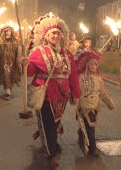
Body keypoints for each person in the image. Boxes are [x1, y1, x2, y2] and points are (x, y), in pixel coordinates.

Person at [23, 14, 80, 164]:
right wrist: (24, 65)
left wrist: (76, 93)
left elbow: (73, 75)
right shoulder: (37, 52)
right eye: (52, 33)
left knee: (55, 123)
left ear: (62, 35)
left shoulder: (67, 53)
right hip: (45, 95)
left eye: (58, 33)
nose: (55, 35)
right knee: (48, 124)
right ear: (46, 35)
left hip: (62, 97)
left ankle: (50, 142)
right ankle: (51, 151)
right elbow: (30, 72)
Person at [75, 50, 115, 157]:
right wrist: (75, 104)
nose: (94, 66)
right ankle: (93, 148)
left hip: (95, 106)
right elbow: (76, 91)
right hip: (84, 105)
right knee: (90, 127)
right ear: (87, 65)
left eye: (95, 64)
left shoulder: (98, 78)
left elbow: (103, 92)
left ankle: (81, 136)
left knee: (89, 126)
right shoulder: (81, 78)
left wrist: (110, 104)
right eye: (91, 64)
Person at [0, 26, 22, 100]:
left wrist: (18, 59)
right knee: (6, 75)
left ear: (11, 32)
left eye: (9, 31)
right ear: (3, 32)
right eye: (6, 31)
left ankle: (9, 88)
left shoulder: (16, 41)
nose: (7, 33)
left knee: (12, 76)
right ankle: (7, 92)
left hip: (13, 61)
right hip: (4, 62)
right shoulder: (0, 41)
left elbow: (19, 51)